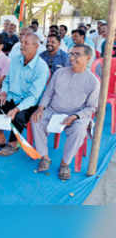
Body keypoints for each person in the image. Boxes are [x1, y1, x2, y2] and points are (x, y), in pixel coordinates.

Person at [31, 44, 99, 180]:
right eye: (71, 54)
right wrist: (40, 108)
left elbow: (91, 107)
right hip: (53, 110)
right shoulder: (59, 73)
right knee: (36, 119)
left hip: (76, 114)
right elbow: (48, 94)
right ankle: (44, 157)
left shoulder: (93, 82)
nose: (72, 57)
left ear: (88, 58)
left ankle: (65, 163)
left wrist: (75, 116)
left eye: (77, 54)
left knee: (80, 129)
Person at [0, 33, 49, 155]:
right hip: (11, 96)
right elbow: (7, 80)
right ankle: (0, 138)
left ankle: (13, 144)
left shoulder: (42, 68)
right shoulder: (15, 59)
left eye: (26, 43)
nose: (22, 46)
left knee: (19, 116)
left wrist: (16, 109)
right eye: (22, 42)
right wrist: (3, 93)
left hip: (28, 103)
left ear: (36, 46)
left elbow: (33, 97)